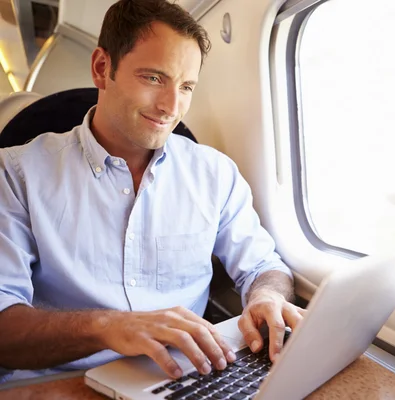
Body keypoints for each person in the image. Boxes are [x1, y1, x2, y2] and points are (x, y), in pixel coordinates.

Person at [0, 0, 304, 383]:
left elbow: (264, 267)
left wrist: (267, 298)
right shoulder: (14, 173)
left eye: (186, 86)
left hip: (183, 377)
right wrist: (108, 326)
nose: (171, 107)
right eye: (154, 78)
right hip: (60, 383)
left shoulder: (215, 174)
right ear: (101, 68)